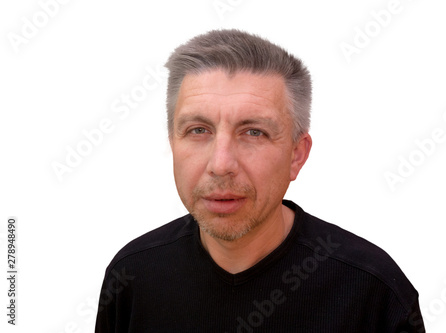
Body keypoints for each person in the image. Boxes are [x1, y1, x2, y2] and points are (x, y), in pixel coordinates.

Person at [95, 29, 425, 333]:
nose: (221, 164)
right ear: (172, 143)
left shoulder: (375, 293)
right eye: (198, 130)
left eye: (254, 132)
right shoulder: (132, 277)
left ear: (296, 155)